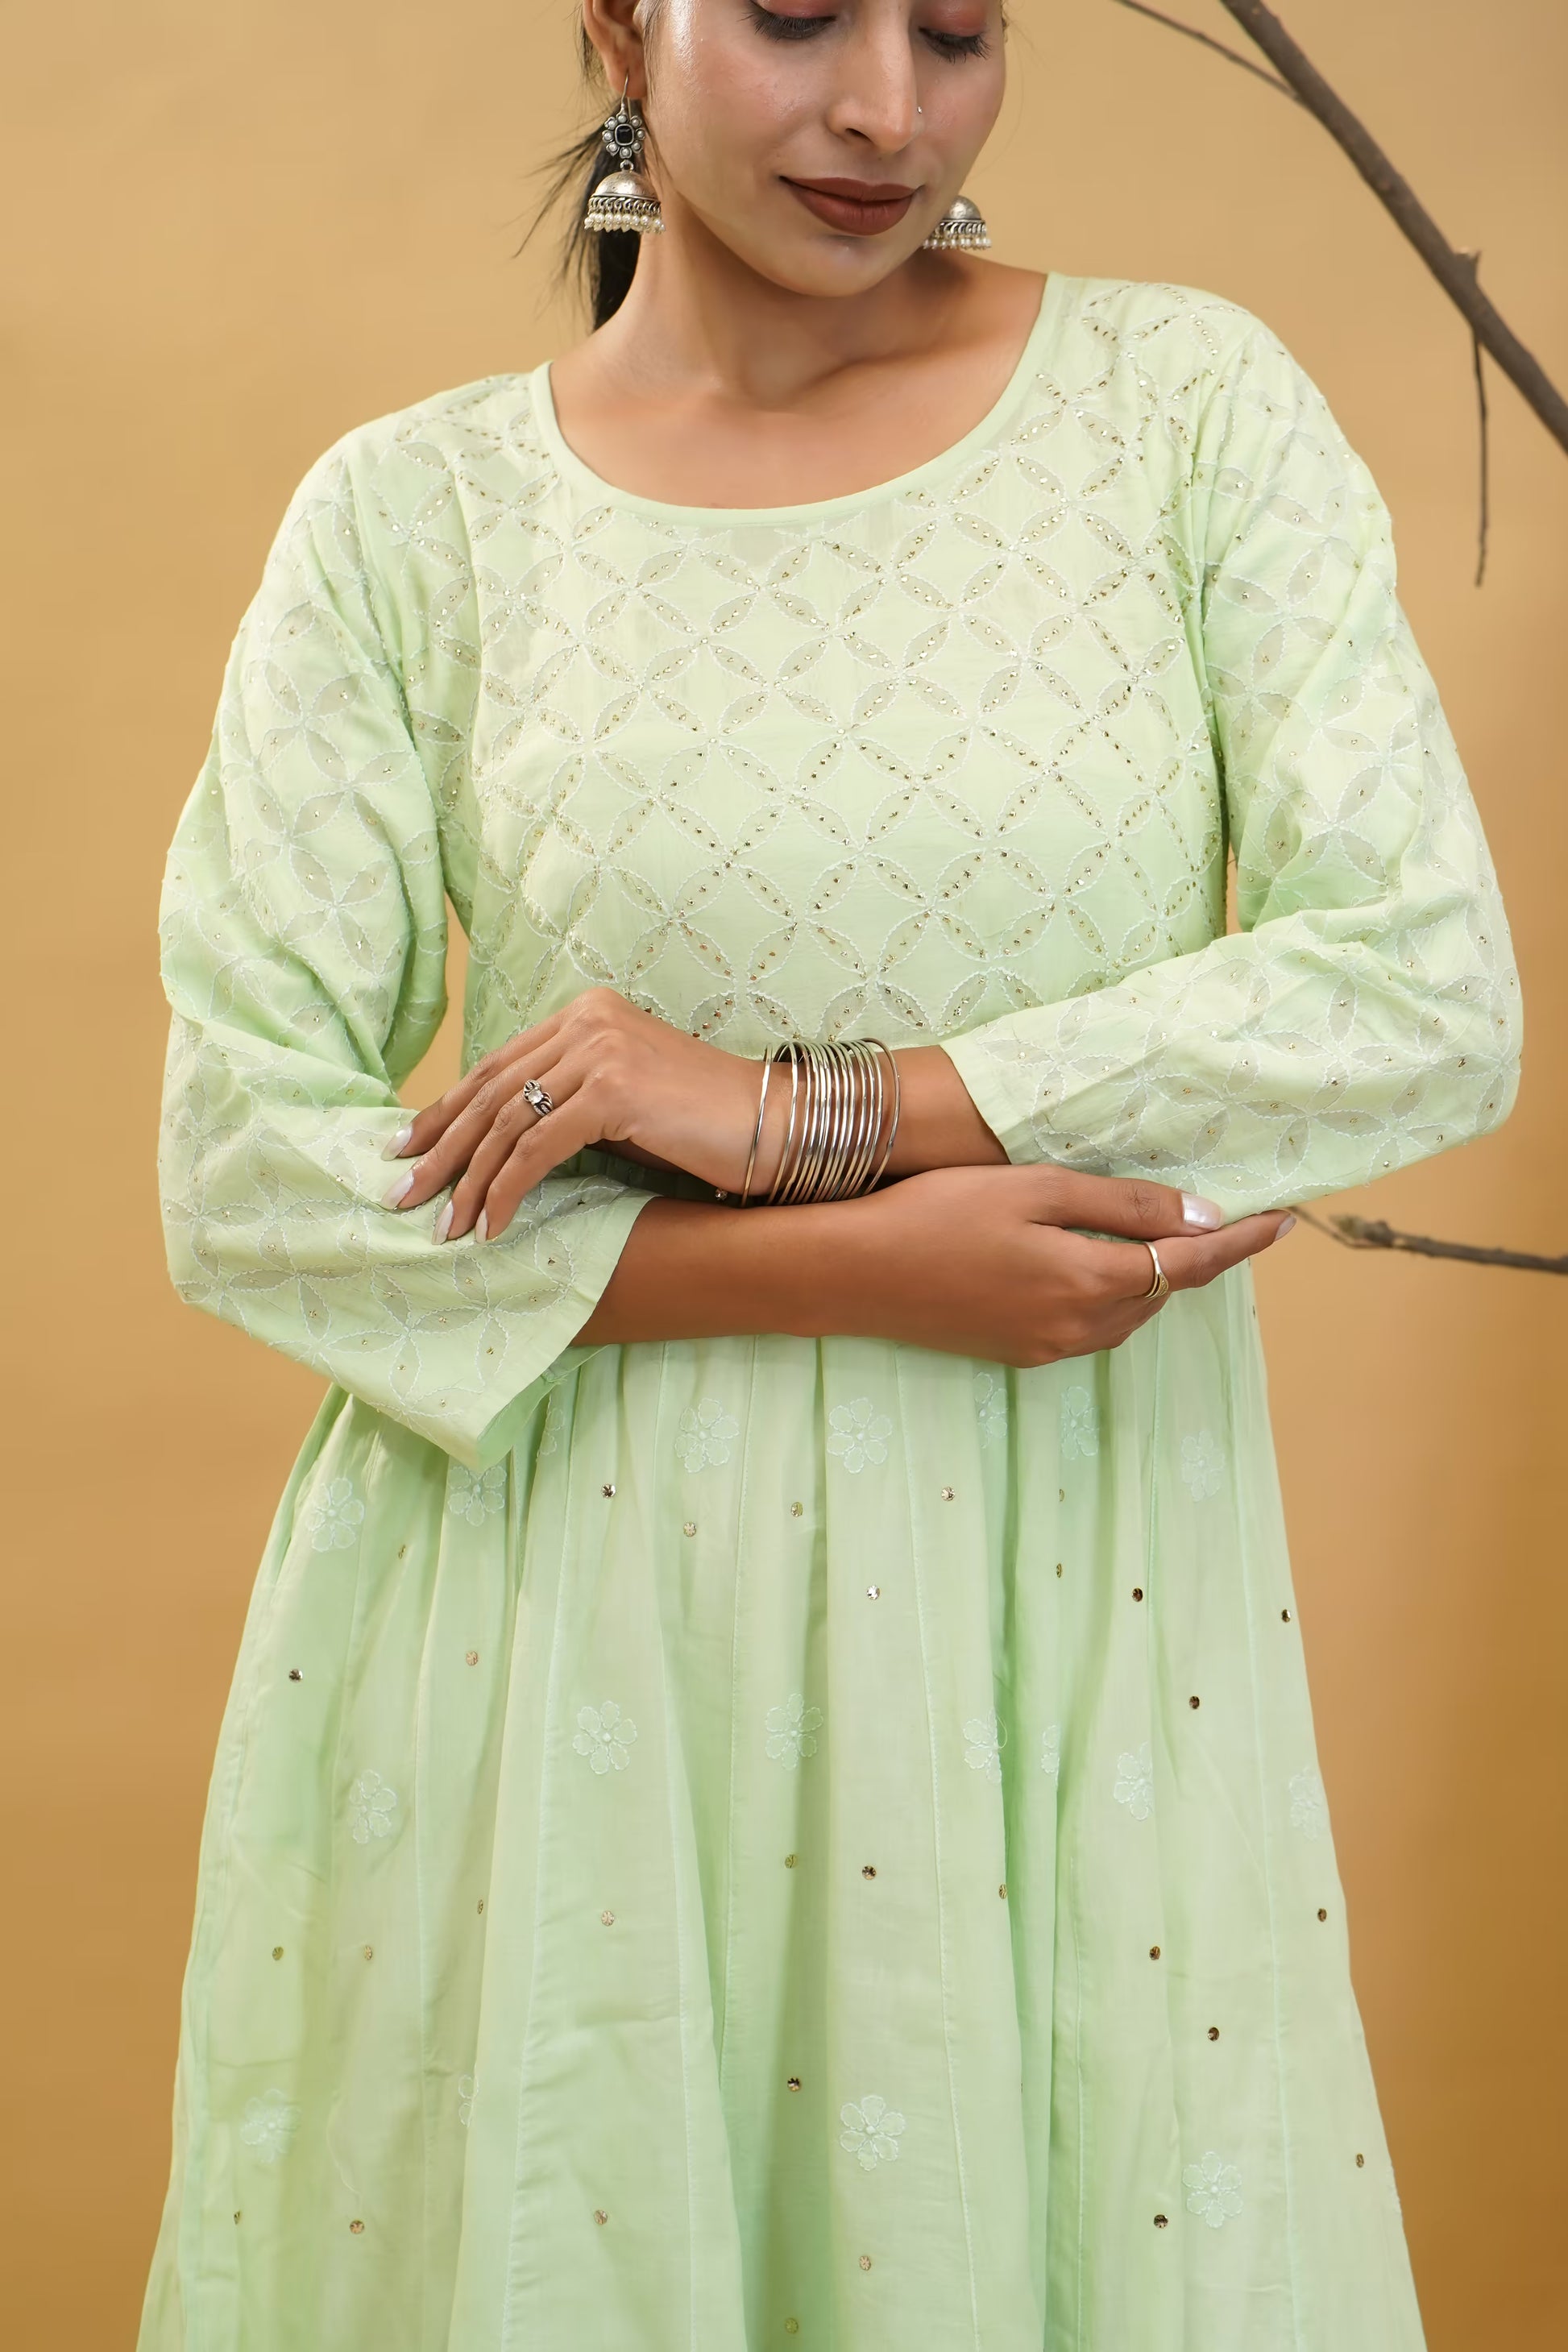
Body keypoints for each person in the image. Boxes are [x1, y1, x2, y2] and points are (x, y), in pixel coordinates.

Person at [140, 2, 1520, 2345]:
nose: (887, 106)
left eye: (959, 29)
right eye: (794, 16)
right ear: (615, 26)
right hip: (559, 1638)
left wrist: (807, 1109)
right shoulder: (417, 520)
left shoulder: (1180, 415)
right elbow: (249, 1164)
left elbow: (1416, 990)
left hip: (1065, 1622)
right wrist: (861, 1268)